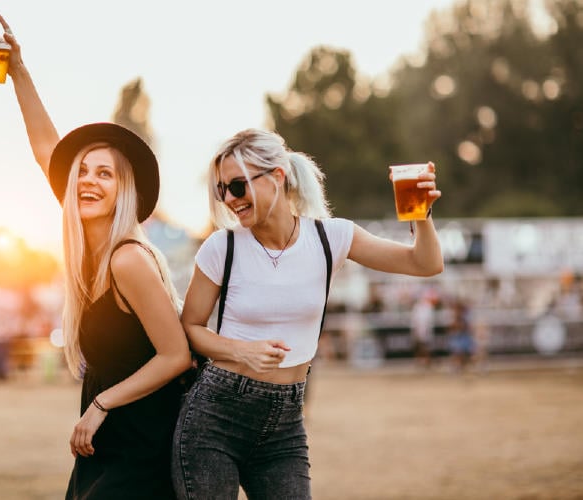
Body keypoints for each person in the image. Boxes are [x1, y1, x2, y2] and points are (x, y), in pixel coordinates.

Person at [173, 129, 443, 499]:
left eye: (237, 187)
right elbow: (189, 327)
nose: (229, 200)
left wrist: (422, 213)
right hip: (215, 418)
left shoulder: (331, 238)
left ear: (277, 176)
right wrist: (240, 350)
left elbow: (425, 263)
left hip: (285, 422)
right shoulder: (222, 247)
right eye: (221, 191)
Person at [0, 16, 191, 499]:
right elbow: (47, 149)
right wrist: (19, 72)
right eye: (83, 171)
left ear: (123, 190)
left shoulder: (128, 259)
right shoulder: (91, 255)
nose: (87, 180)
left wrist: (101, 405)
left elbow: (177, 356)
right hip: (108, 441)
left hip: (144, 444)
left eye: (105, 174)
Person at [410, 289, 437, 369]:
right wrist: (415, 329)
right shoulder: (417, 306)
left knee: (426, 347)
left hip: (426, 329)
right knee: (418, 346)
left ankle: (427, 362)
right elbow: (414, 319)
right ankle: (419, 362)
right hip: (418, 329)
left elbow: (429, 320)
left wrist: (426, 329)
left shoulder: (428, 306)